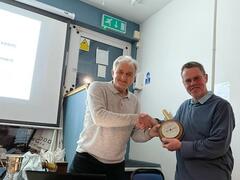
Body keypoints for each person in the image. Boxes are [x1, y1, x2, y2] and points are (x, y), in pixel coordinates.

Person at [69, 55, 160, 180]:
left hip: (116, 166)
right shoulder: (96, 87)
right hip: (87, 161)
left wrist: (150, 134)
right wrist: (136, 118)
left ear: (134, 78)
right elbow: (100, 118)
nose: (123, 77)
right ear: (113, 73)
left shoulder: (134, 100)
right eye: (120, 72)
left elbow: (135, 134)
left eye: (129, 74)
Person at [161, 61, 235, 180]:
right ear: (183, 83)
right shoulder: (184, 106)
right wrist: (154, 124)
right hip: (183, 175)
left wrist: (181, 146)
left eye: (196, 78)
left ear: (205, 78)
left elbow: (218, 145)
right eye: (188, 81)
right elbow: (172, 129)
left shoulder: (221, 107)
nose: (193, 83)